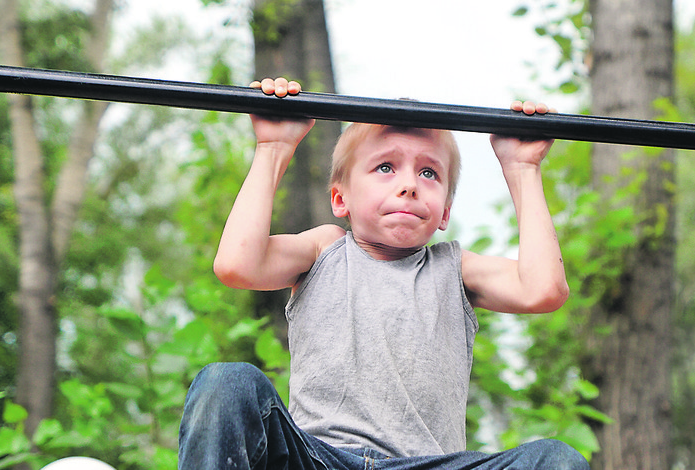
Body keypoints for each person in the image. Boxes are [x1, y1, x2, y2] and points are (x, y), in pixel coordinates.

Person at [178, 77, 589, 470]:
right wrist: (274, 147)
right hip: (321, 458)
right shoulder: (324, 248)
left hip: (427, 462)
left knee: (556, 460)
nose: (409, 184)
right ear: (341, 198)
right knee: (227, 383)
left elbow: (543, 290)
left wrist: (522, 169)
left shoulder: (454, 267)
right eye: (386, 167)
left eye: (429, 173)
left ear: (445, 211)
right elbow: (237, 264)